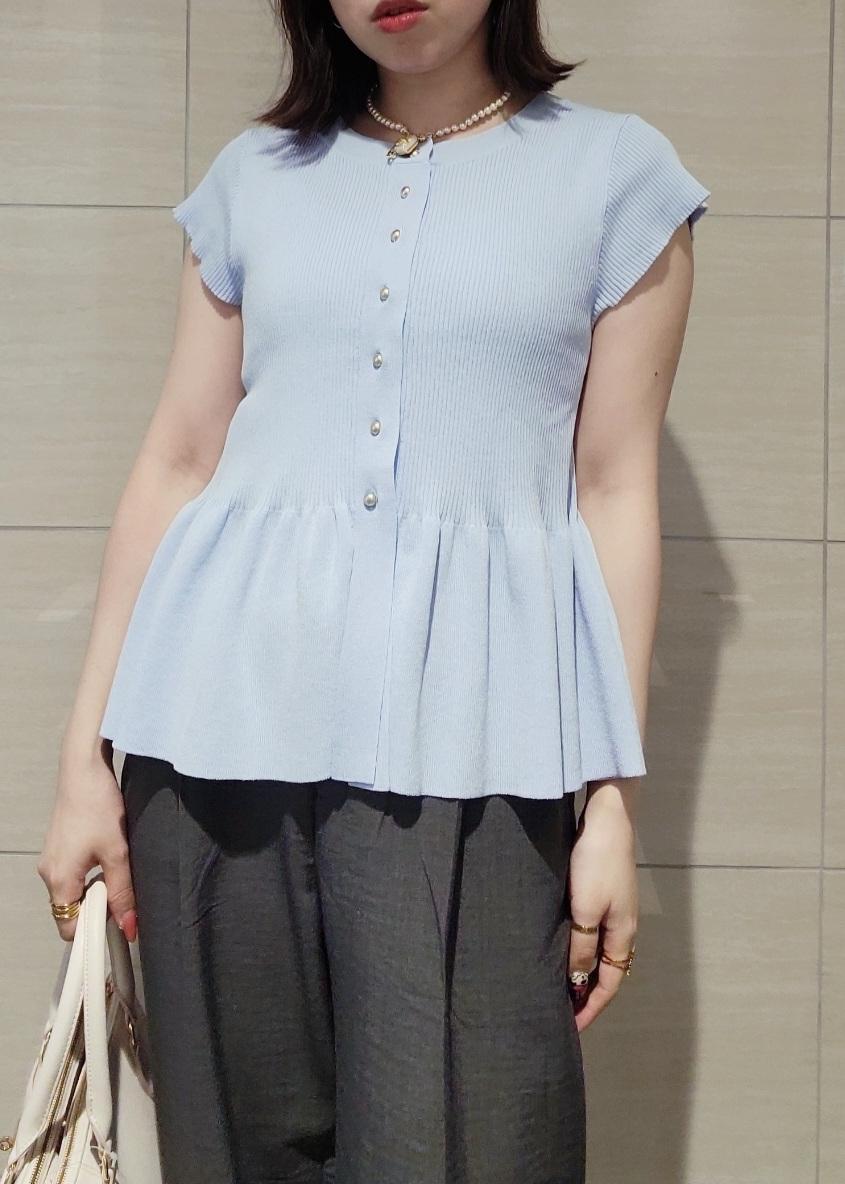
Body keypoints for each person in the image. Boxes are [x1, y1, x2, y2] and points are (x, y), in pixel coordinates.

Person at [36, 0, 710, 1180]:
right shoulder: (254, 175)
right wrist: (83, 760)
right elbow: (178, 460)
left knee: (472, 1142)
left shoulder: (615, 175)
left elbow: (611, 492)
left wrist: (610, 800)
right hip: (209, 739)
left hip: (482, 750)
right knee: (234, 1149)